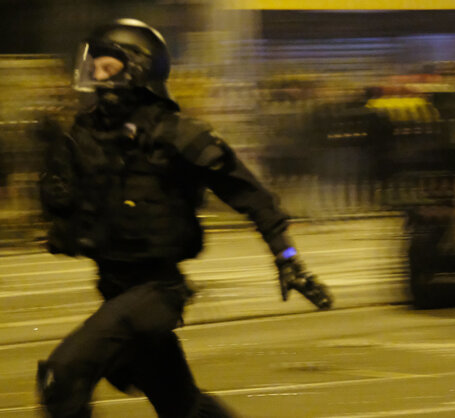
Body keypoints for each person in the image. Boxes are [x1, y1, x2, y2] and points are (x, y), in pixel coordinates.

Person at [34, 18, 332, 418]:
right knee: (182, 406)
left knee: (64, 375)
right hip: (113, 287)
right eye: (94, 68)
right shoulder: (84, 135)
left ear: (138, 69)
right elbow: (66, 203)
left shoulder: (177, 134)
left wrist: (287, 257)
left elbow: (251, 195)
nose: (97, 77)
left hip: (156, 291)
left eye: (108, 67)